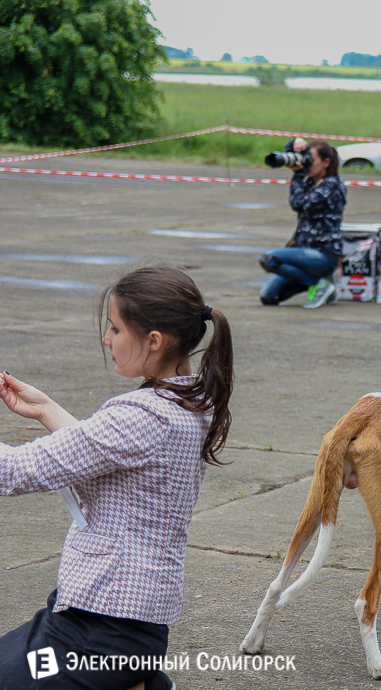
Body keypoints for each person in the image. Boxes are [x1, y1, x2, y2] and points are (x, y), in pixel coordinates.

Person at [0, 267, 234, 690]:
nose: (107, 339)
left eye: (115, 328)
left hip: (99, 635)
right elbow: (109, 453)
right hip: (122, 625)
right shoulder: (191, 401)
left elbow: (14, 471)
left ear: (154, 341)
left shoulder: (140, 416)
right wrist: (45, 408)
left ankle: (137, 684)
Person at [259, 138, 347, 309]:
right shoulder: (310, 182)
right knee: (268, 297)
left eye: (311, 160)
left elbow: (298, 203)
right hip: (302, 254)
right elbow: (290, 156)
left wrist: (298, 175)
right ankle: (321, 284)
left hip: (323, 255)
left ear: (326, 162)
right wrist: (294, 145)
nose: (306, 164)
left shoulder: (332, 186)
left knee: (269, 259)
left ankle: (319, 284)